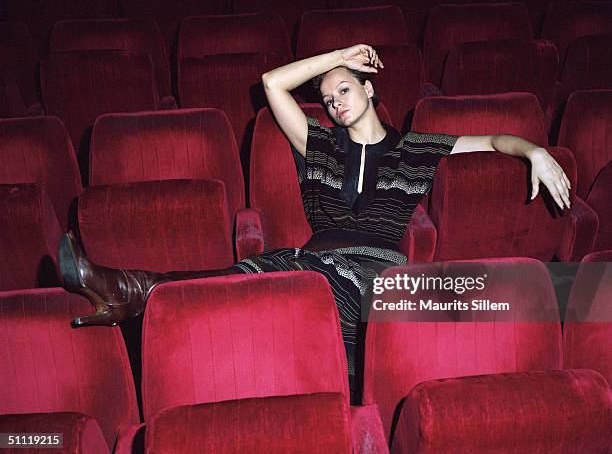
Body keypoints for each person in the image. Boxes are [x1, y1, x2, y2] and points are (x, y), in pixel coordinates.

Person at [59, 44, 572, 402]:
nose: (335, 103)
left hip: (373, 274)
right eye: (328, 99)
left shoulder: (415, 149)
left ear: (370, 90)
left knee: (312, 284)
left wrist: (535, 153)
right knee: (251, 274)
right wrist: (338, 59)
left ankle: (132, 294)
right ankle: (131, 289)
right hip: (312, 263)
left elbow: (494, 141)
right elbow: (271, 84)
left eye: (346, 90)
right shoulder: (317, 144)